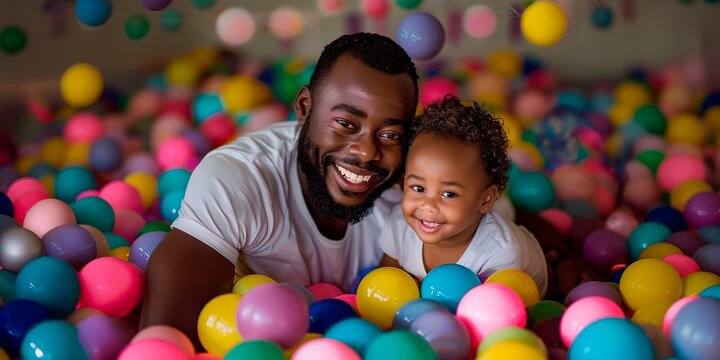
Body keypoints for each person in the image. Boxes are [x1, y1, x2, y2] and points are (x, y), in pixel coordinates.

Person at [140, 32, 419, 347]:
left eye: (390, 134)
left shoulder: (414, 195)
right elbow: (163, 341)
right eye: (345, 123)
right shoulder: (241, 177)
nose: (367, 152)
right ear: (304, 108)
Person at [379, 95, 548, 296]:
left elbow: (492, 314)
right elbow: (385, 280)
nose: (428, 205)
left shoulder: (501, 254)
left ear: (486, 200)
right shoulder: (399, 224)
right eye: (418, 188)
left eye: (449, 194)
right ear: (404, 182)